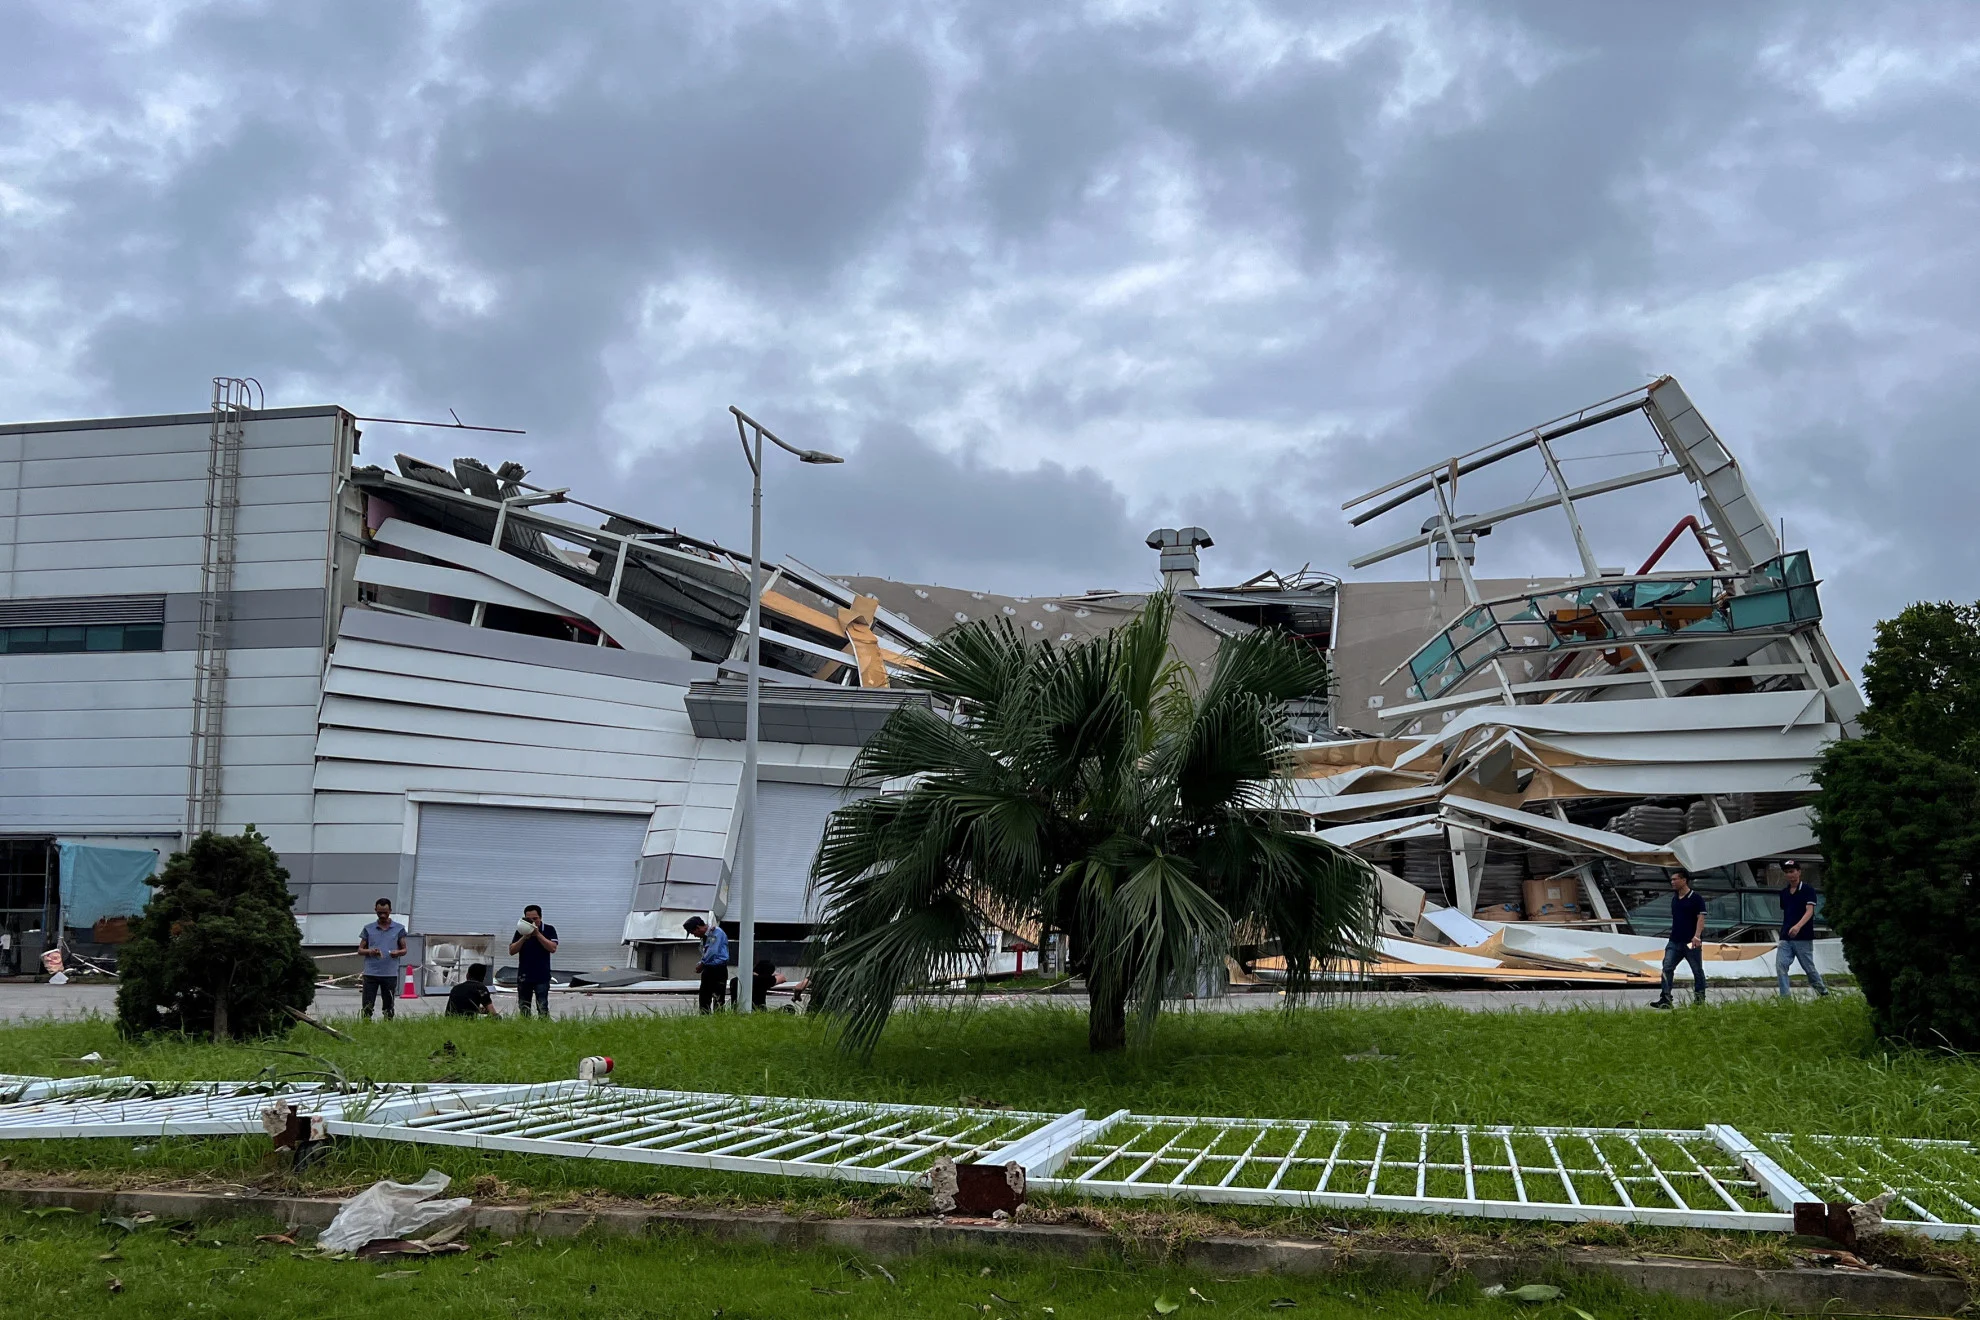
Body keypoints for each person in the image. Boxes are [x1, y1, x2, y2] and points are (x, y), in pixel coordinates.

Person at [1651, 869, 1707, 1009]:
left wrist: (1697, 936)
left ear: (1684, 880)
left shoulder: (1696, 898)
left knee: (1697, 970)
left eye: (1675, 879)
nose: (1672, 882)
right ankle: (1665, 998)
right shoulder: (1675, 898)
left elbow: (1701, 918)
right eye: (1672, 880)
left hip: (1690, 942)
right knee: (1667, 967)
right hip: (1674, 940)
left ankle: (1699, 999)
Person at [1776, 860, 1829, 998]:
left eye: (1792, 871)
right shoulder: (1784, 893)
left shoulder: (1807, 890)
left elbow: (1809, 911)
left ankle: (1823, 992)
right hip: (1786, 935)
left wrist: (1798, 926)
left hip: (1803, 936)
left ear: (1799, 872)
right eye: (1787, 872)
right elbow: (1786, 911)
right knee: (1781, 965)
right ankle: (1785, 999)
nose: (1790, 875)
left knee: (1809, 968)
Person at [357, 897, 408, 1021]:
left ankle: (388, 1026)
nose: (382, 915)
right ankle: (366, 1025)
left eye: (385, 912)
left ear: (390, 910)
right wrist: (370, 951)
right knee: (368, 1005)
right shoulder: (368, 928)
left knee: (388, 1006)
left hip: (390, 973)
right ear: (375, 910)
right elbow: (360, 950)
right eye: (379, 912)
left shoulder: (399, 929)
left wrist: (397, 952)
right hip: (371, 973)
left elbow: (404, 949)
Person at [508, 904, 558, 1018]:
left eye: (535, 919)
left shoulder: (549, 929)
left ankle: (544, 1027)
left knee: (542, 1006)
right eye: (529, 919)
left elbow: (552, 948)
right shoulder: (521, 931)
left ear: (540, 918)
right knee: (524, 1007)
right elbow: (512, 951)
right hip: (524, 975)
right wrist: (524, 937)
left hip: (542, 975)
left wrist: (537, 934)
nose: (533, 922)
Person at [684, 916, 729, 1013]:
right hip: (708, 969)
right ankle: (704, 1018)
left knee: (718, 998)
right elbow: (706, 952)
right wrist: (702, 963)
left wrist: (702, 963)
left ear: (698, 928)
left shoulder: (716, 933)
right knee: (704, 998)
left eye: (693, 933)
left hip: (718, 969)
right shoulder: (705, 937)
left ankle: (719, 1020)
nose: (694, 935)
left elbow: (713, 951)